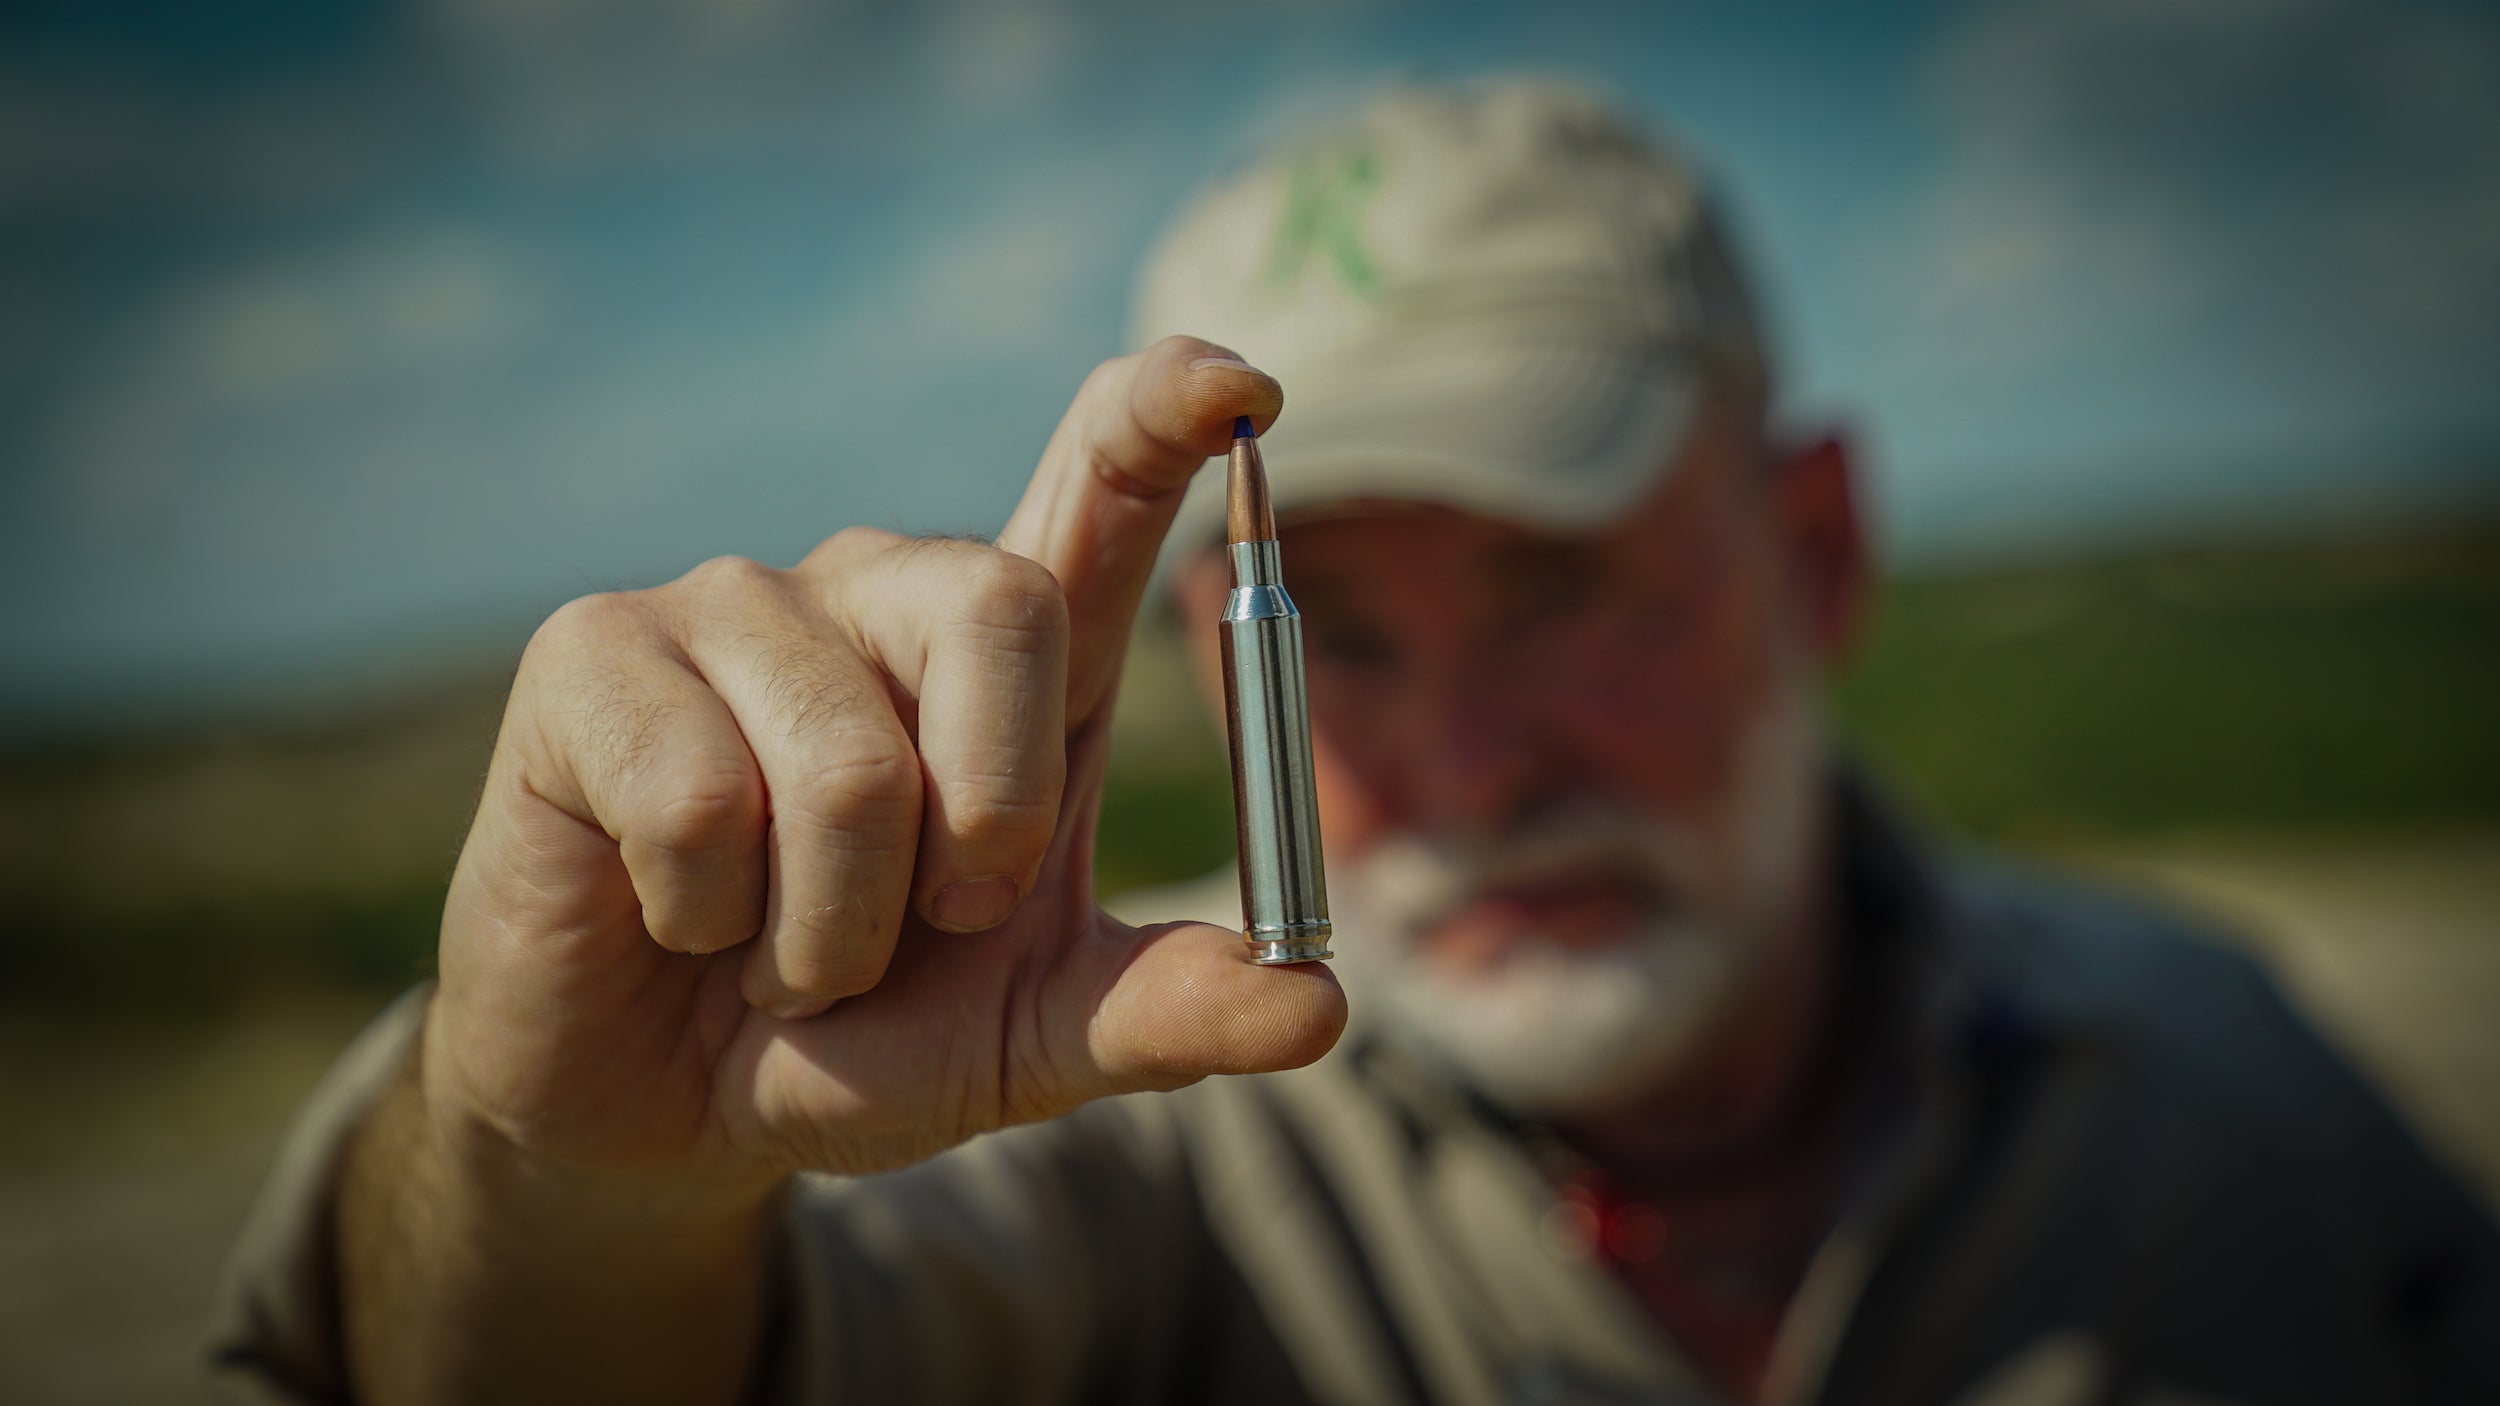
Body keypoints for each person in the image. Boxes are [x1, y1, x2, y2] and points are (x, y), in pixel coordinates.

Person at [210, 80, 2499, 1406]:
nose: (1463, 764)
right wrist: (562, 1173)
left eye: (1556, 585)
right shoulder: (1104, 1132)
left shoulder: (2225, 1093)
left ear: (1810, 548)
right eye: (1329, 639)